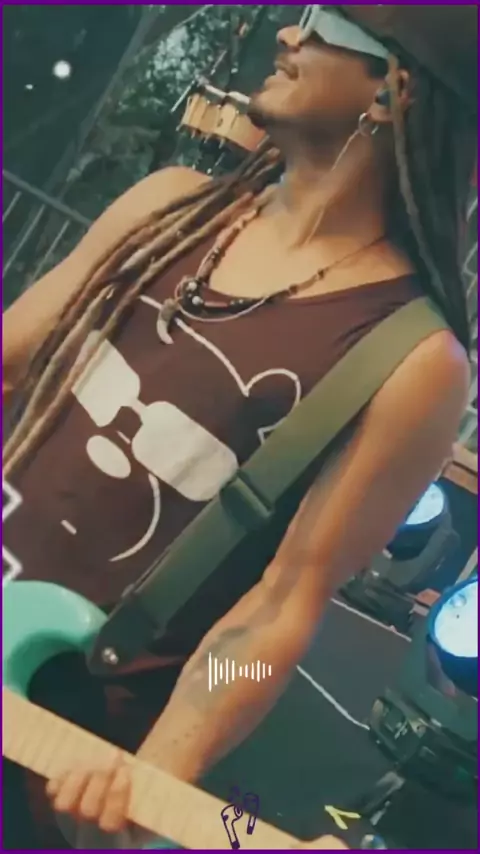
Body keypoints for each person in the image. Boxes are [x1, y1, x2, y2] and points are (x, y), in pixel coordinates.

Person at [3, 4, 477, 848]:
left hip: (59, 732)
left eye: (323, 22)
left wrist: (157, 773)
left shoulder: (412, 360)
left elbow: (276, 614)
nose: (289, 35)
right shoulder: (170, 207)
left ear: (392, 90)